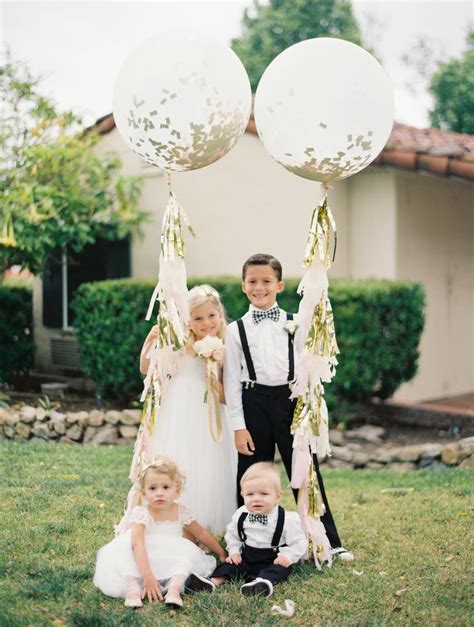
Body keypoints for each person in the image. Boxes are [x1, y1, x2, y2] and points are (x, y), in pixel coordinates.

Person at [223, 253, 352, 561]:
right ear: (243, 286)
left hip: (290, 402)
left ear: (279, 285)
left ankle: (327, 541)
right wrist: (239, 427)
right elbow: (230, 382)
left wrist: (308, 409)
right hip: (253, 403)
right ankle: (244, 543)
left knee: (305, 473)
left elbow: (309, 368)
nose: (259, 287)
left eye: (266, 281)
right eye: (252, 281)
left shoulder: (297, 322)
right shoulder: (234, 330)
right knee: (252, 473)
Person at [139, 284, 237, 535]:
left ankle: (206, 518)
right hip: (180, 408)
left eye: (211, 316)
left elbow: (229, 397)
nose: (206, 322)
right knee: (180, 455)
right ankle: (170, 515)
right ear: (188, 320)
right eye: (198, 318)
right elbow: (147, 368)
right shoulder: (180, 343)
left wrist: (213, 373)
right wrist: (150, 341)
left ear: (220, 314)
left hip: (211, 411)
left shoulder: (227, 345)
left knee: (210, 460)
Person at [94, 457, 226, 609]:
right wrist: (147, 576)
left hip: (172, 551)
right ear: (144, 492)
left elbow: (201, 533)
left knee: (184, 560)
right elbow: (137, 544)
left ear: (177, 490)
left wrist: (221, 552)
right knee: (126, 559)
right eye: (152, 488)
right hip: (144, 551)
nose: (159, 493)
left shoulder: (181, 511)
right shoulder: (142, 513)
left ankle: (174, 589)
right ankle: (132, 590)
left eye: (165, 487)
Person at [185, 462, 307, 598]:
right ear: (243, 495)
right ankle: (213, 581)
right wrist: (234, 552)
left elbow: (299, 542)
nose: (256, 499)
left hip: (273, 559)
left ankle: (261, 583)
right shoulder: (241, 514)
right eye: (250, 494)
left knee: (279, 570)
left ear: (277, 497)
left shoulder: (287, 519)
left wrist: (287, 557)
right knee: (230, 565)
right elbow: (233, 536)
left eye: (264, 494)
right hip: (247, 557)